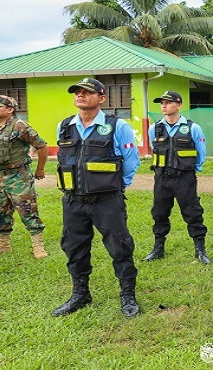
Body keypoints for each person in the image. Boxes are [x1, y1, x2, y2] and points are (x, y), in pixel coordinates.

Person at [52, 77, 141, 318]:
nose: (80, 96)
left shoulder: (117, 126)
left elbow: (131, 161)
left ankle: (128, 296)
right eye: (77, 92)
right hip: (73, 201)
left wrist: (117, 188)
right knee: (74, 248)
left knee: (120, 247)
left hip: (106, 201)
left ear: (101, 98)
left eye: (87, 92)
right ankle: (80, 294)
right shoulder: (64, 126)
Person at [0, 95, 48, 258]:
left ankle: (38, 246)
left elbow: (42, 146)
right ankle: (3, 245)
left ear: (10, 110)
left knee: (27, 209)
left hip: (18, 176)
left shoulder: (19, 126)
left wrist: (40, 169)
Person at [143, 91, 210, 264]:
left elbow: (201, 152)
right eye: (162, 102)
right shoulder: (155, 128)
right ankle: (158, 249)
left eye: (168, 102)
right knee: (159, 213)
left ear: (179, 105)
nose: (164, 105)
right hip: (162, 178)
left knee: (193, 213)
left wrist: (191, 169)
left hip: (184, 178)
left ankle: (200, 250)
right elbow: (153, 147)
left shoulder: (192, 127)